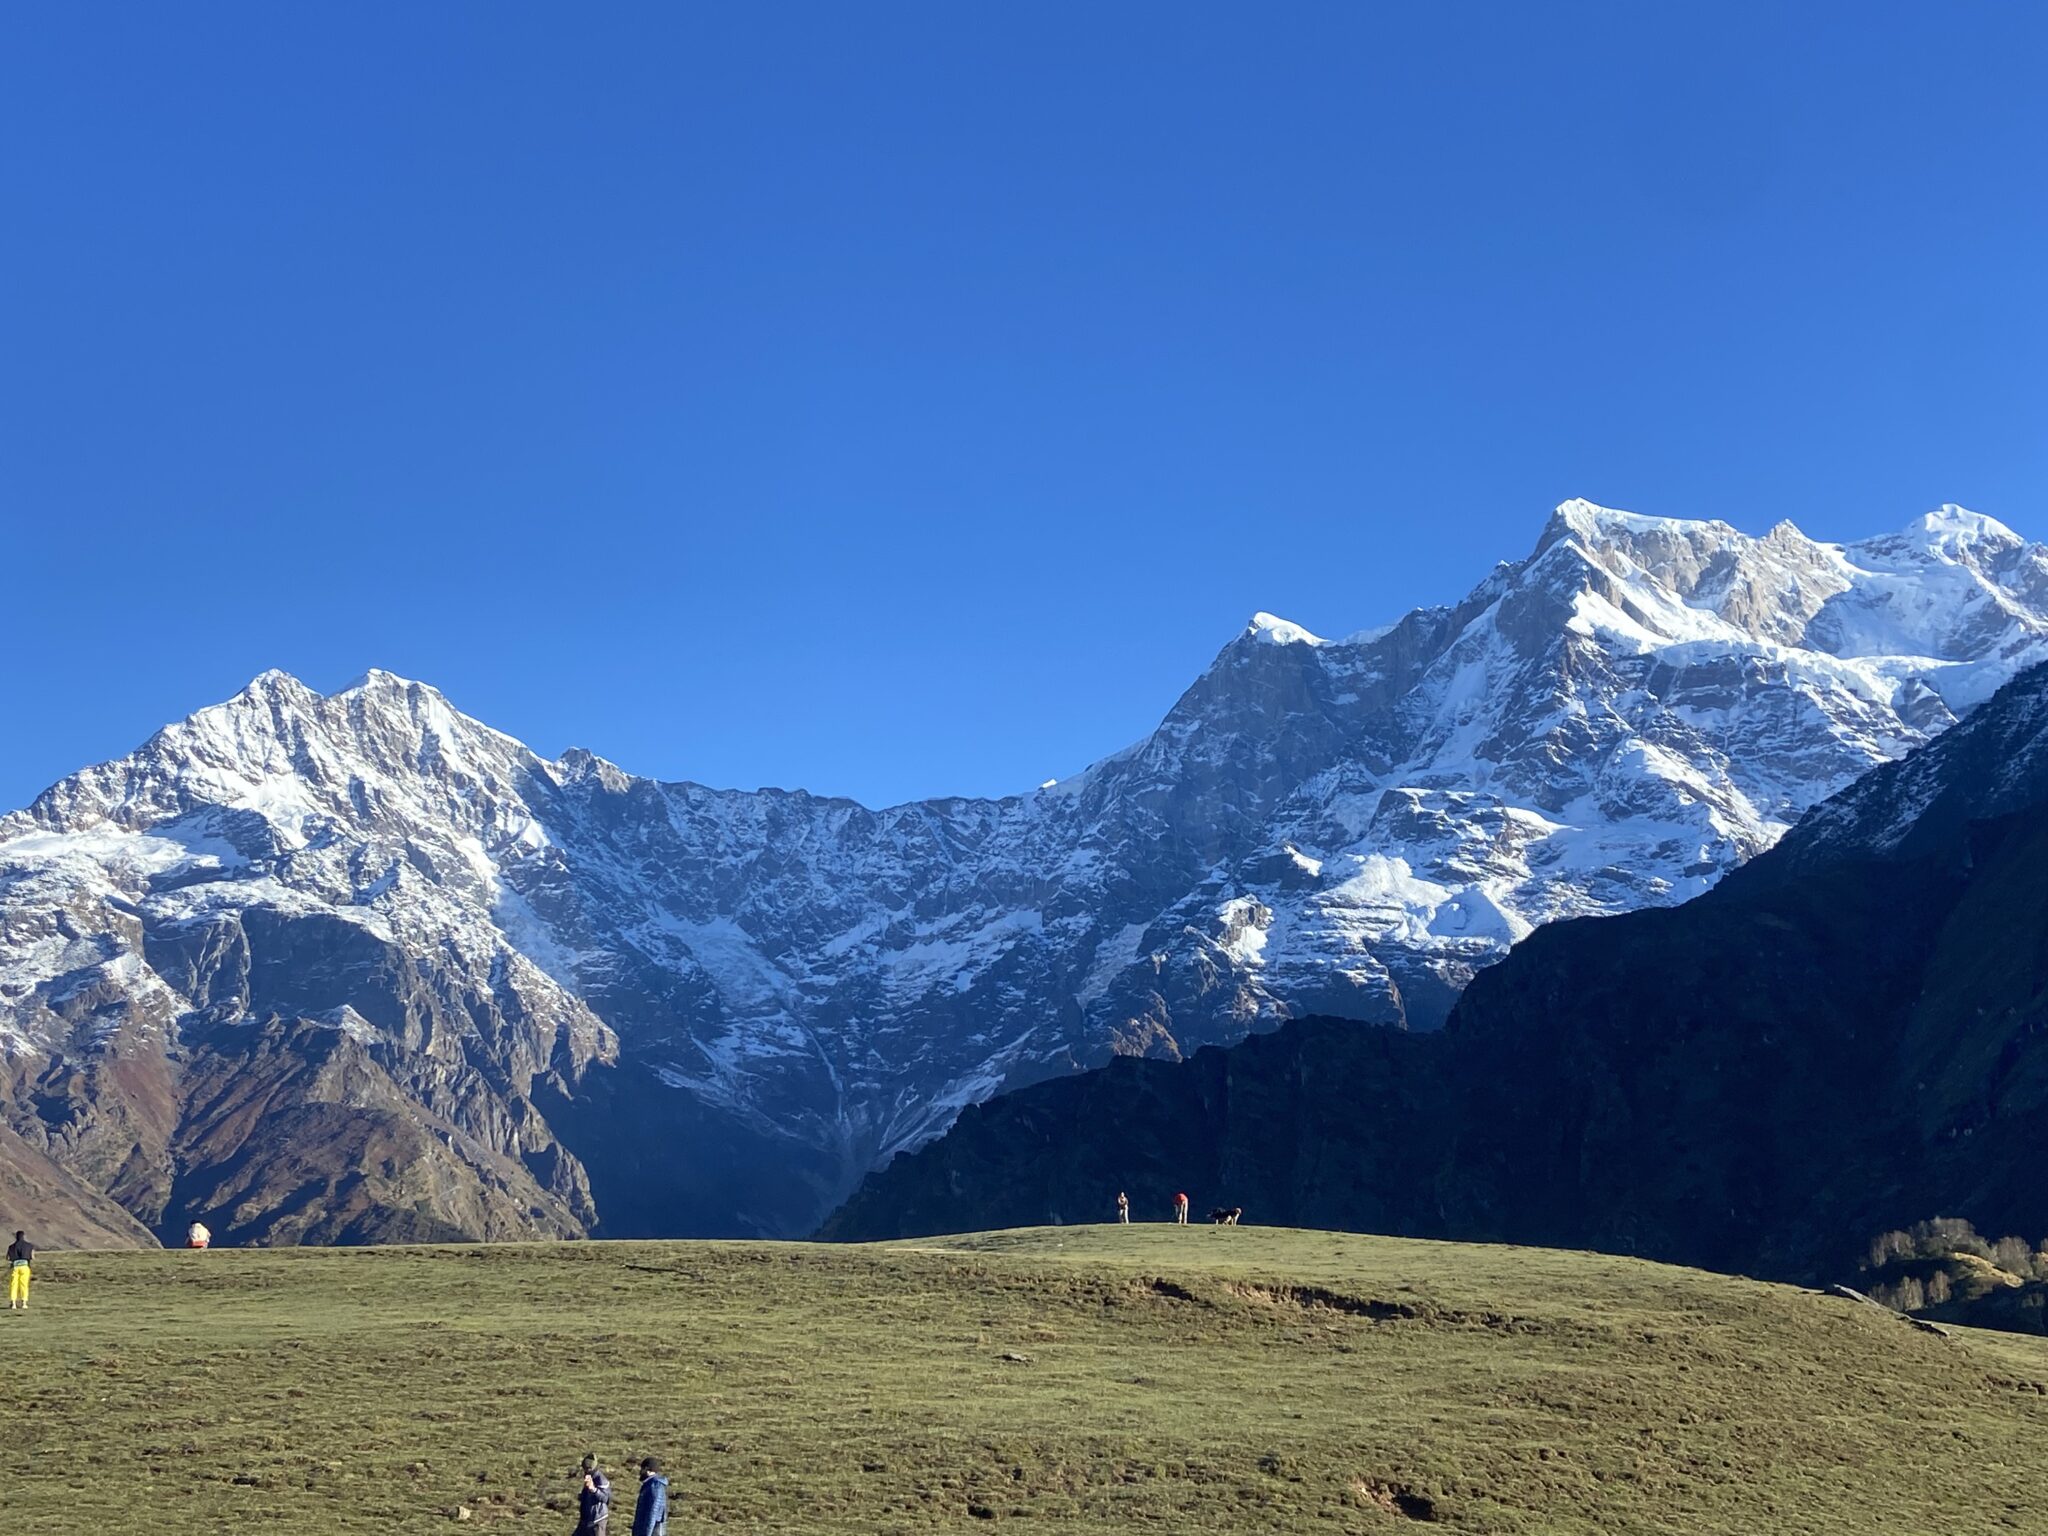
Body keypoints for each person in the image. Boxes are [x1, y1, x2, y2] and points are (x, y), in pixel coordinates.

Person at [630, 1456, 668, 1536]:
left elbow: (652, 1512)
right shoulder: (650, 1484)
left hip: (652, 1530)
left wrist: (647, 1533)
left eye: (642, 1469)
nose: (640, 1471)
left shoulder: (654, 1486)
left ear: (647, 1469)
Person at [575, 1454, 612, 1535]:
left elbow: (606, 1498)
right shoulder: (590, 1477)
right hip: (586, 1520)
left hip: (597, 1520)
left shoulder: (601, 1480)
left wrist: (594, 1490)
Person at [6, 1230, 30, 1311]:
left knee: (13, 1285)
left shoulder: (11, 1247)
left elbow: (8, 1258)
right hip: (25, 1266)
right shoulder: (29, 1246)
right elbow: (32, 1256)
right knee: (24, 1285)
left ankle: (13, 1304)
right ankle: (24, 1303)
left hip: (15, 1266)